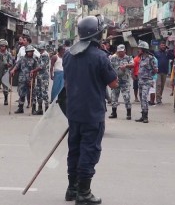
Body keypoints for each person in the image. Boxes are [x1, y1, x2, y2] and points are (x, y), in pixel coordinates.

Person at [62, 15, 118, 205]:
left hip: (73, 111)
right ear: (98, 33)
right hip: (92, 113)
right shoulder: (100, 56)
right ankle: (84, 193)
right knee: (89, 151)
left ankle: (72, 188)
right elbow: (114, 82)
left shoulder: (68, 55)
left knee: (74, 150)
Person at [10, 45, 39, 114]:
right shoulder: (22, 59)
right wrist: (13, 70)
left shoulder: (34, 60)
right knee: (21, 94)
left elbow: (35, 70)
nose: (30, 53)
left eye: (31, 52)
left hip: (30, 79)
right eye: (29, 52)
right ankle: (20, 108)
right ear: (26, 52)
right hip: (22, 79)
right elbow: (17, 66)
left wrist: (33, 80)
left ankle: (33, 109)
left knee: (32, 94)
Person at [108, 44, 134, 120]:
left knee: (127, 97)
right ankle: (114, 112)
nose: (120, 53)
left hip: (125, 81)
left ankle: (128, 113)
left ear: (124, 51)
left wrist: (126, 66)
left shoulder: (128, 58)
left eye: (121, 51)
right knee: (114, 96)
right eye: (119, 51)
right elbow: (108, 66)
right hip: (116, 80)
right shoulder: (113, 58)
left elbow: (133, 64)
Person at [135, 41, 158, 123]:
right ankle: (142, 115)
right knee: (141, 98)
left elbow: (155, 69)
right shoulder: (141, 57)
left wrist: (149, 76)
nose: (138, 50)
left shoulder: (150, 58)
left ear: (143, 49)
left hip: (147, 81)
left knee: (144, 97)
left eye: (140, 49)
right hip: (140, 81)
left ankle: (146, 116)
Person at [0, 39, 13, 105]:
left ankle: (6, 99)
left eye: (4, 46)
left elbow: (11, 64)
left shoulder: (9, 54)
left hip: (5, 71)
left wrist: (6, 63)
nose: (3, 47)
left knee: (5, 86)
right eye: (1, 46)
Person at [33, 44, 50, 115]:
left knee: (44, 92)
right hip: (39, 76)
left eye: (40, 49)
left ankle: (46, 109)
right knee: (38, 92)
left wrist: (34, 70)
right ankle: (40, 109)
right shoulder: (40, 55)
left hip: (44, 77)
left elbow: (41, 66)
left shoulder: (45, 55)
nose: (40, 51)